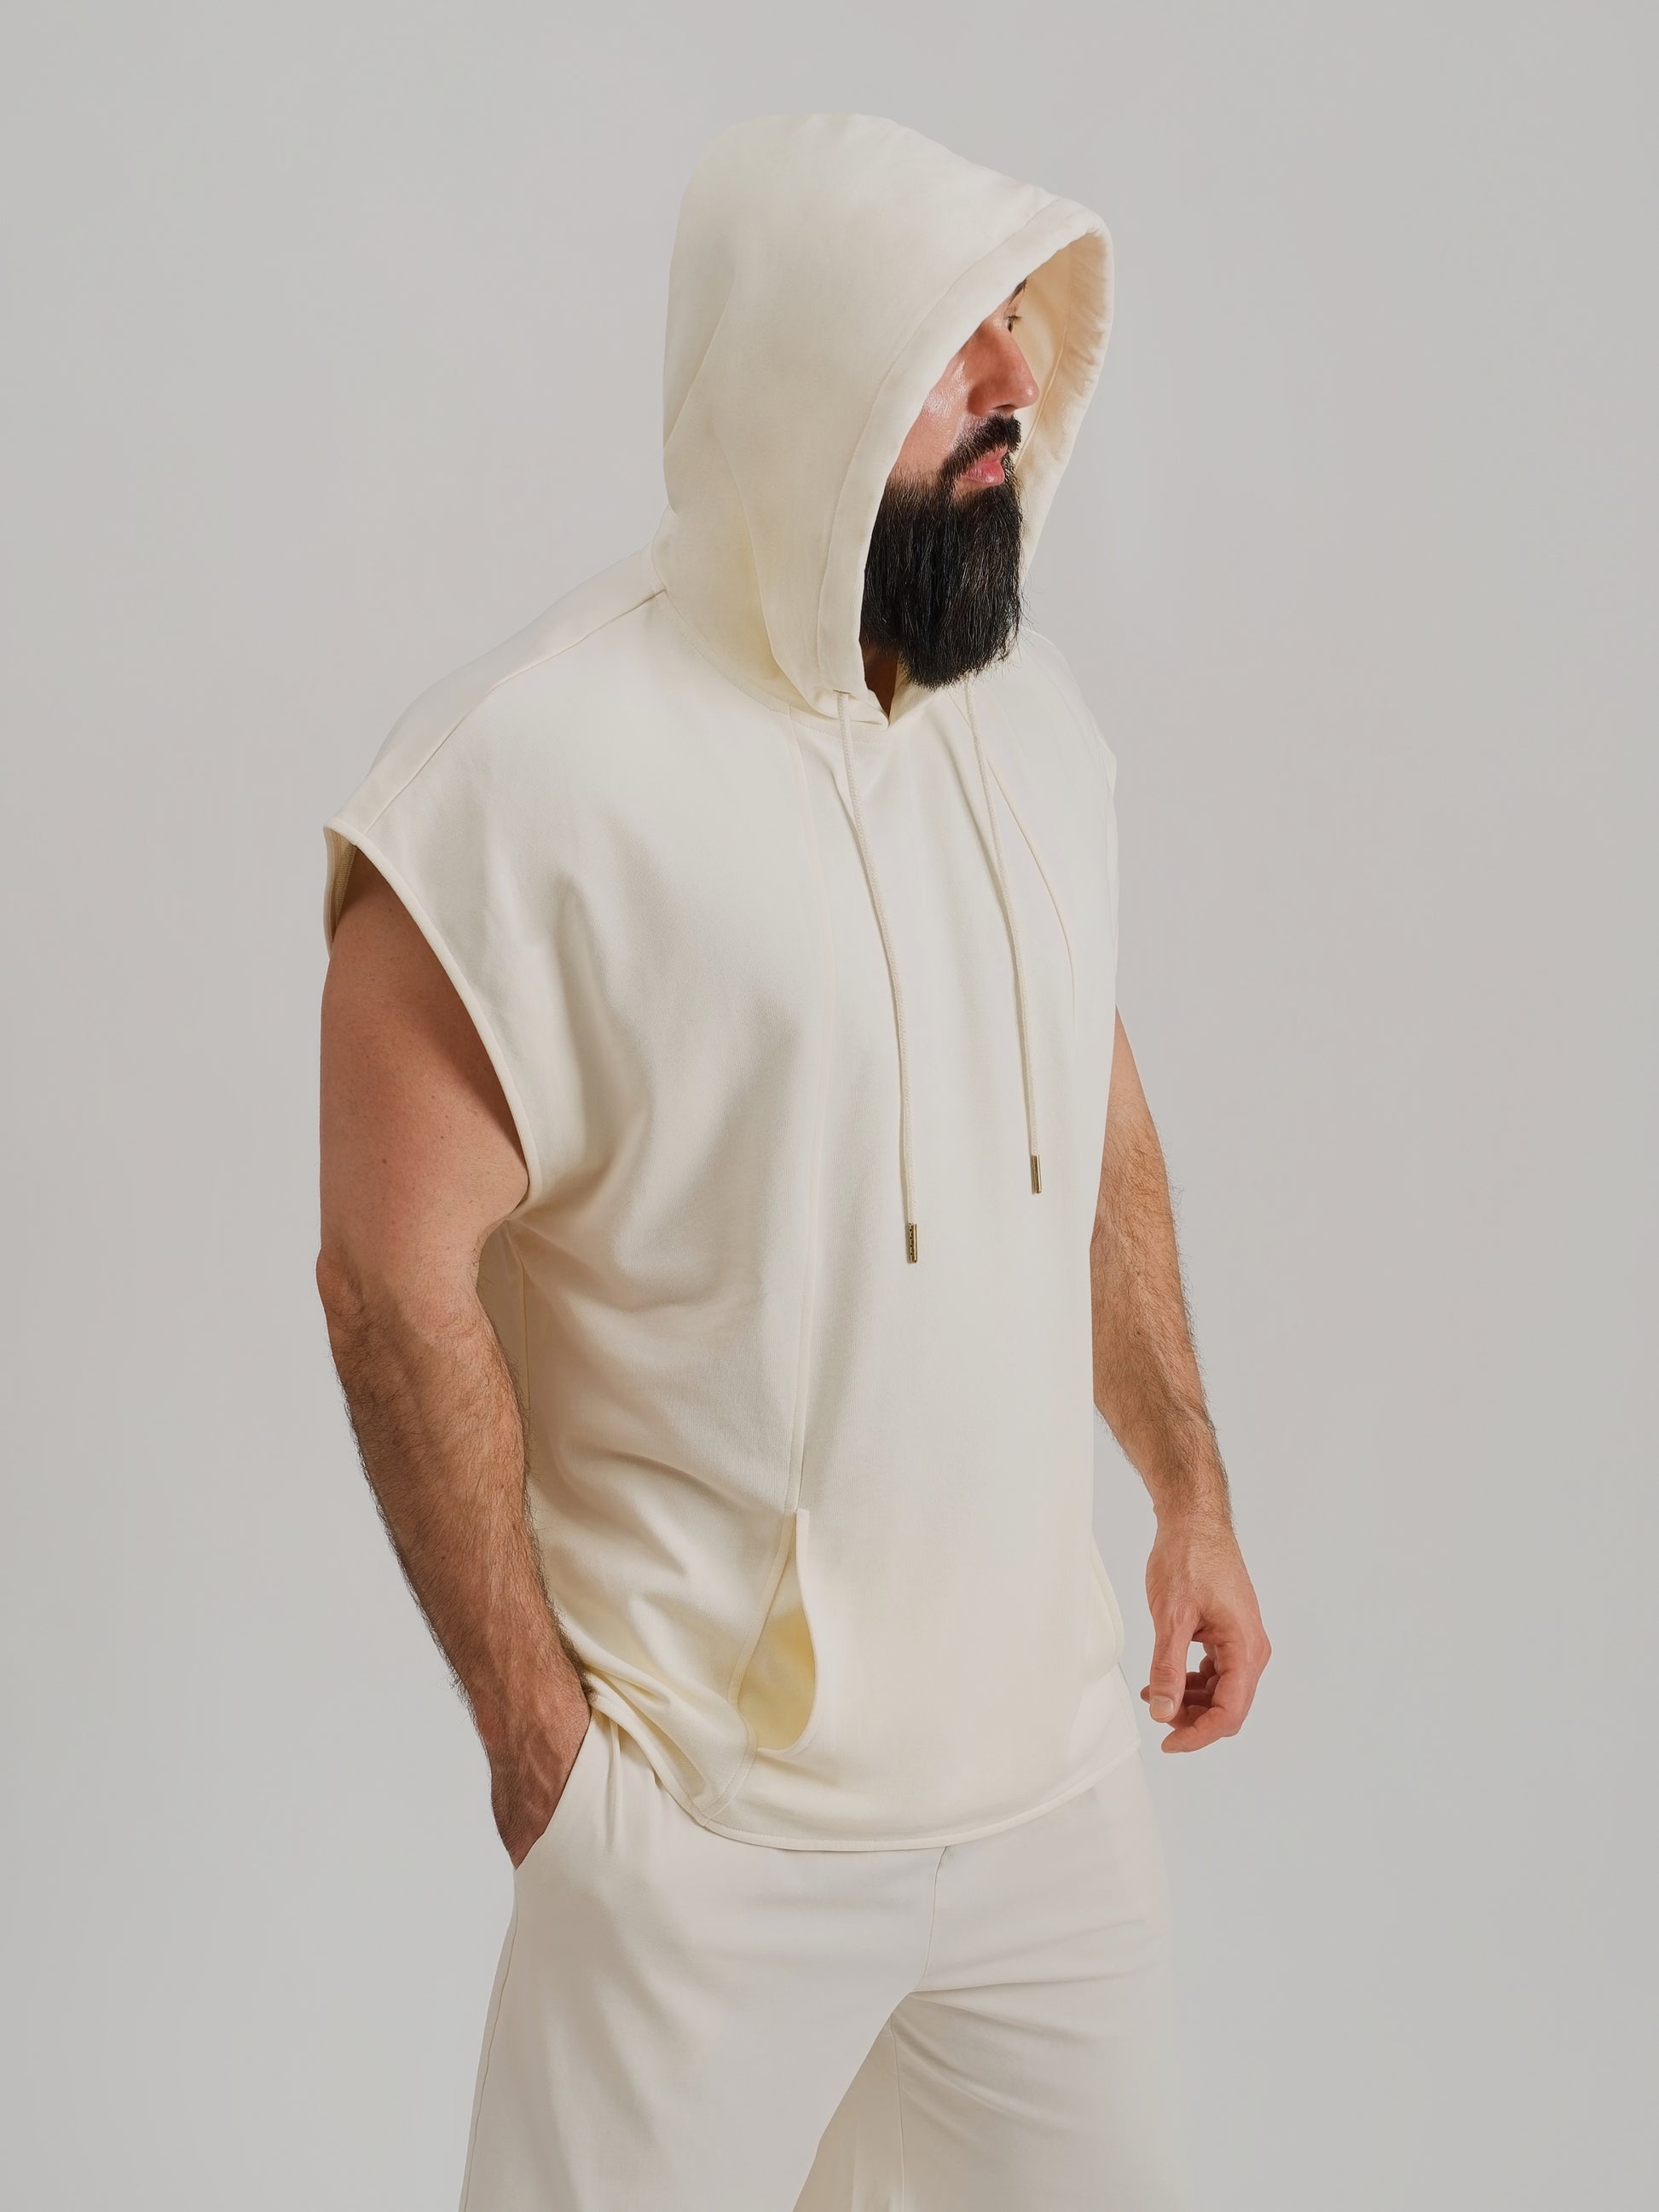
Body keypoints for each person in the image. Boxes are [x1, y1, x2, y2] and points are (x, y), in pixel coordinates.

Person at [316, 112, 1269, 2212]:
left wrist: (1185, 1481)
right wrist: (548, 1758)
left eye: (1017, 322)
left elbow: (1085, 1096)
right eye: (948, 340)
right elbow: (388, 1279)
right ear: (802, 373)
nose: (1015, 375)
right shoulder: (518, 788)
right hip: (705, 1835)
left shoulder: (1029, 726)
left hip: (1048, 1799)